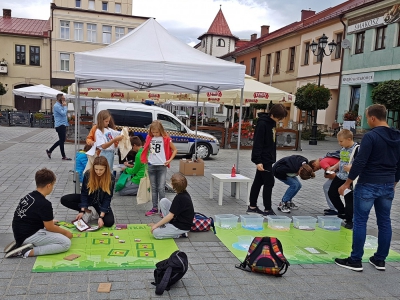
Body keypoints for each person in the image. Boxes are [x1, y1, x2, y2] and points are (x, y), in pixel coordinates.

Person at [335, 104, 400, 272]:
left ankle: (355, 260)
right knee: (385, 222)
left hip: (368, 183)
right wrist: (394, 182)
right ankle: (380, 260)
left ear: (372, 118)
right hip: (387, 183)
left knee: (360, 221)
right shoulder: (397, 136)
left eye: (366, 118)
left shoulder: (371, 137)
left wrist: (347, 183)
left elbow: (360, 162)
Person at [5, 168, 72, 258]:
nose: (52, 188)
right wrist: (66, 233)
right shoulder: (45, 204)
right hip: (29, 234)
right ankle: (25, 251)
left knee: (56, 230)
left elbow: (32, 216)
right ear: (49, 185)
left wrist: (51, 223)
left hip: (19, 232)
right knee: (66, 243)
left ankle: (22, 243)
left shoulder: (29, 196)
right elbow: (50, 227)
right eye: (53, 185)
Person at [246, 104, 288, 217]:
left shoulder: (272, 123)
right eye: (278, 118)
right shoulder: (263, 124)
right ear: (273, 114)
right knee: (269, 183)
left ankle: (252, 206)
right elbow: (258, 143)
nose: (279, 121)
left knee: (258, 182)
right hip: (263, 159)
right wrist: (257, 161)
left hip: (268, 157)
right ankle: (267, 209)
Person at [60, 156, 116, 228]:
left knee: (109, 222)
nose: (98, 172)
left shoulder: (111, 178)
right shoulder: (88, 174)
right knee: (65, 199)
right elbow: (84, 193)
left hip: (100, 203)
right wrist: (82, 210)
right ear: (93, 167)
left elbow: (107, 198)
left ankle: (95, 212)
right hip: (89, 199)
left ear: (106, 168)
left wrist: (101, 217)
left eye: (101, 170)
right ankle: (88, 211)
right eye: (96, 169)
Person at [140, 120, 178, 216]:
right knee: (154, 188)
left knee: (161, 188)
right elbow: (147, 149)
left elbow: (175, 150)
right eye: (153, 132)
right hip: (151, 165)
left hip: (162, 165)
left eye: (157, 132)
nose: (155, 134)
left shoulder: (165, 139)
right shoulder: (149, 138)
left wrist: (169, 160)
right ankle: (154, 208)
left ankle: (162, 209)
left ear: (161, 130)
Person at [327, 129, 358, 230]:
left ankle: (350, 220)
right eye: (338, 141)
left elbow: (361, 163)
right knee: (332, 192)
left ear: (349, 139)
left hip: (349, 178)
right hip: (340, 175)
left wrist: (351, 168)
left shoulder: (357, 149)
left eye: (341, 141)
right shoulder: (344, 148)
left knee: (348, 199)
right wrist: (334, 167)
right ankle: (342, 211)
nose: (339, 143)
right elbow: (342, 160)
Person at [148, 173, 194, 239]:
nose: (170, 183)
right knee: (163, 201)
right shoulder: (184, 193)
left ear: (174, 186)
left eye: (171, 182)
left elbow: (170, 216)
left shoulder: (179, 198)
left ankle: (181, 234)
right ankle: (167, 225)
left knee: (156, 233)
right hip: (178, 219)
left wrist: (156, 225)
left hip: (181, 226)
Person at [46, 93, 71, 160]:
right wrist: (65, 106)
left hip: (62, 124)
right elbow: (63, 114)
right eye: (63, 98)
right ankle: (62, 155)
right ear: (59, 99)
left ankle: (50, 151)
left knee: (62, 140)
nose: (64, 100)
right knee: (62, 140)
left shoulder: (60, 105)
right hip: (60, 125)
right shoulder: (56, 106)